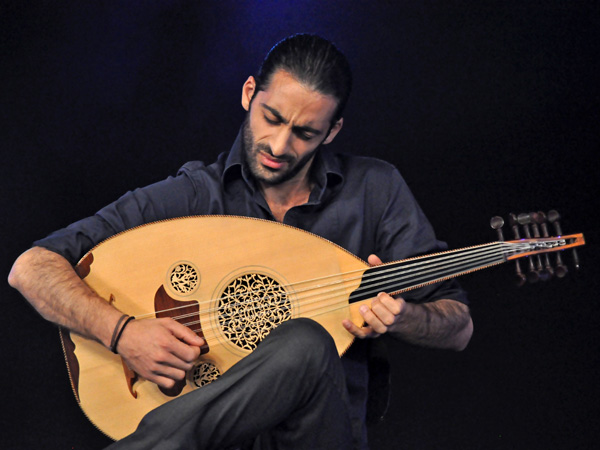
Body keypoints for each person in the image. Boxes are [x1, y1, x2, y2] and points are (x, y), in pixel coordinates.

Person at [8, 34, 473, 449]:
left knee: (308, 342)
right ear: (250, 94)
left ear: (331, 131)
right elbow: (31, 267)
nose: (278, 145)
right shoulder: (195, 195)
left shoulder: (375, 189)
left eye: (305, 133)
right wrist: (122, 331)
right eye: (271, 118)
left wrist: (404, 317)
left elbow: (459, 327)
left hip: (319, 437)